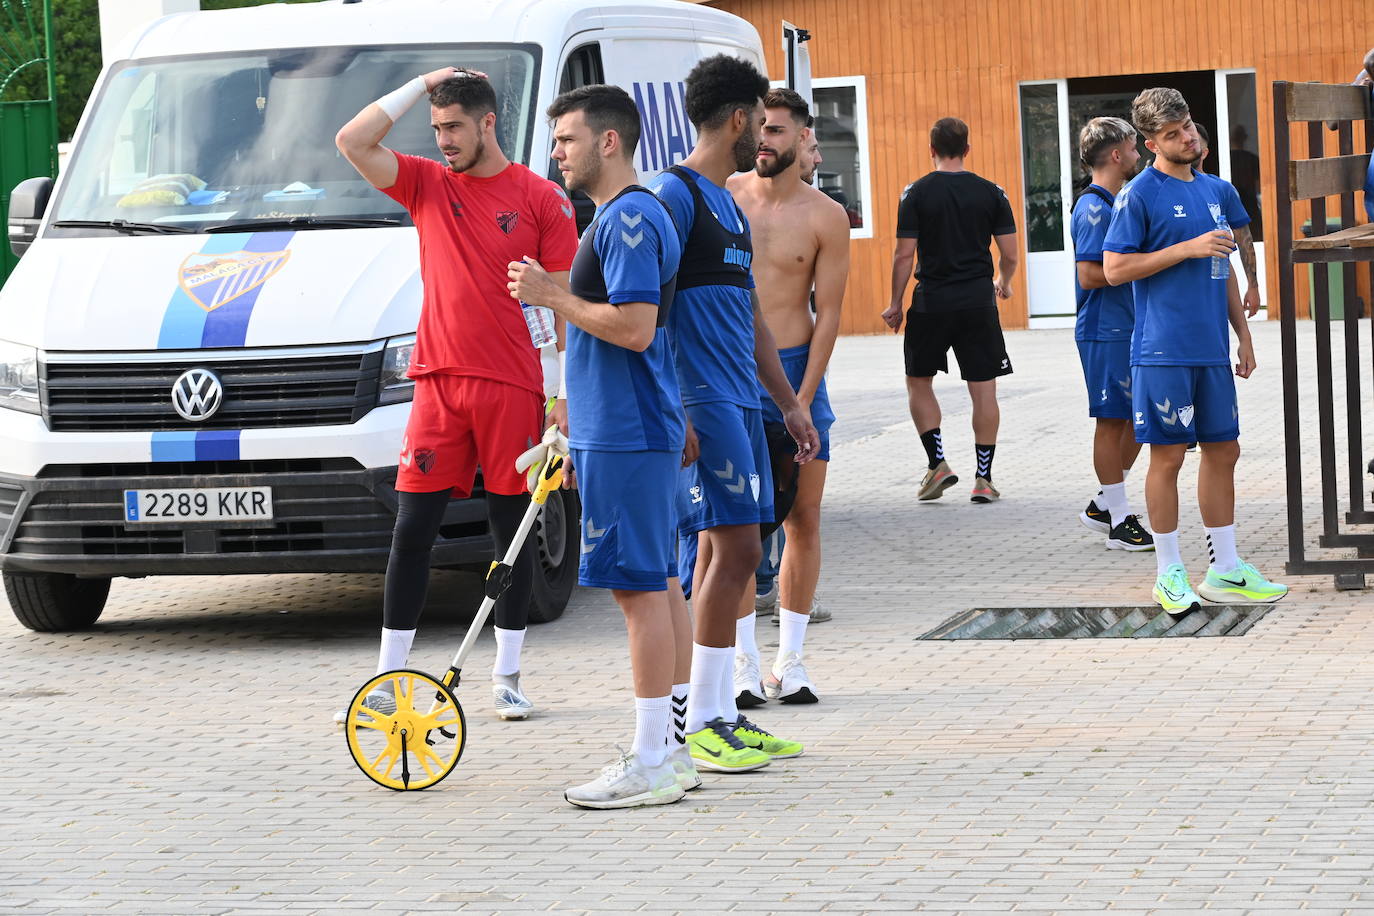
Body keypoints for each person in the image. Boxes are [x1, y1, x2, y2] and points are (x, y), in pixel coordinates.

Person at [334, 69, 578, 722]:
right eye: (436, 128)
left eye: (453, 127)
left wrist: (561, 401)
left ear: (488, 123)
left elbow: (561, 307)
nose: (443, 140)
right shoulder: (426, 184)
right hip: (439, 384)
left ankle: (508, 674)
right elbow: (353, 141)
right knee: (412, 528)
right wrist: (418, 85)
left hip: (514, 387)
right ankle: (387, 677)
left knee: (511, 534)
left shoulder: (540, 199)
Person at [508, 84, 693, 809]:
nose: (557, 153)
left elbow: (635, 326)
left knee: (639, 590)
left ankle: (651, 760)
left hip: (627, 430)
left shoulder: (630, 219)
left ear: (608, 141)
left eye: (567, 140)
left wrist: (550, 295)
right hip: (621, 426)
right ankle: (671, 751)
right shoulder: (621, 217)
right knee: (660, 582)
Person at [648, 54, 819, 773]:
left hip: (743, 403)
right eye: (761, 119)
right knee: (735, 553)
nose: (765, 138)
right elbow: (646, 313)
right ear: (740, 118)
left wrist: (789, 404)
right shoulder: (674, 196)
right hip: (700, 403)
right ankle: (701, 718)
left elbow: (750, 318)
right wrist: (674, 407)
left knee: (737, 551)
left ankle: (717, 714)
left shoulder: (727, 203)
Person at [1102, 87, 1287, 613]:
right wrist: (1185, 247)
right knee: (1167, 457)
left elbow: (1220, 262)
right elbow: (1114, 269)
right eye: (1171, 135)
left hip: (1210, 349)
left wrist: (1244, 334)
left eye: (1186, 128)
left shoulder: (1215, 190)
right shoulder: (1138, 195)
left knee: (1224, 450)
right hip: (1162, 352)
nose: (1185, 138)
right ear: (1149, 142)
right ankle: (1168, 572)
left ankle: (1225, 570)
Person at [726, 89, 850, 707]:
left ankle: (791, 660)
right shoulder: (728, 194)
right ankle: (743, 664)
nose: (764, 140)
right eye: (759, 130)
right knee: (740, 523)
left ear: (803, 138)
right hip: (736, 374)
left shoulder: (826, 215)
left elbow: (827, 316)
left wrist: (801, 398)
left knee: (803, 515)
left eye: (776, 130)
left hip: (801, 371)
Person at [882, 118, 1018, 504]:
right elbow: (1009, 253)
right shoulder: (992, 193)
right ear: (967, 149)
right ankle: (984, 479)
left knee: (919, 381)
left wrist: (896, 303)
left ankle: (938, 463)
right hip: (978, 302)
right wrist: (1004, 282)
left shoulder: (916, 194)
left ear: (931, 149)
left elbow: (904, 254)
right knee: (983, 390)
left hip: (931, 303)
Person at [1071, 117, 1152, 551]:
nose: (1140, 153)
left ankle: (1105, 503)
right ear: (1117, 154)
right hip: (1104, 330)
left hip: (1128, 326)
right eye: (1134, 146)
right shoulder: (1093, 207)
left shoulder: (1119, 200)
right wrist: (1149, 262)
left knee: (1138, 422)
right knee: (1111, 421)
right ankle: (1119, 521)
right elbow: (1089, 274)